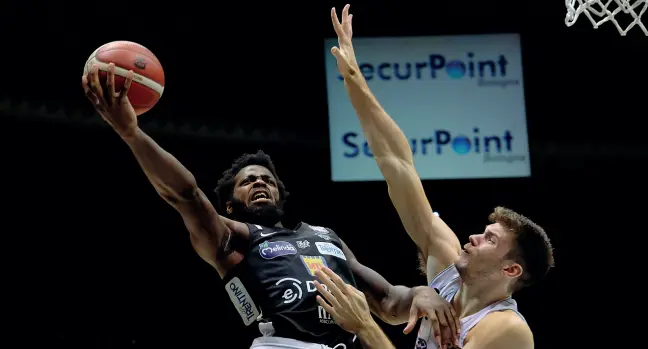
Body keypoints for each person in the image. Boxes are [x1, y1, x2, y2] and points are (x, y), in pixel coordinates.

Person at [80, 63, 460, 348]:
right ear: (230, 205)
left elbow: (389, 301)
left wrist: (421, 293)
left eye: (266, 179)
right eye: (248, 181)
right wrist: (131, 134)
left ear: (280, 192)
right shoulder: (232, 239)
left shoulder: (325, 236)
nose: (259, 182)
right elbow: (185, 195)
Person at [330, 4, 554, 349]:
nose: (474, 237)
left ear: (511, 270)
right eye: (484, 232)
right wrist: (354, 78)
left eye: (490, 240)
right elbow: (398, 165)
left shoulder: (507, 330)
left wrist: (365, 326)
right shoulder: (448, 277)